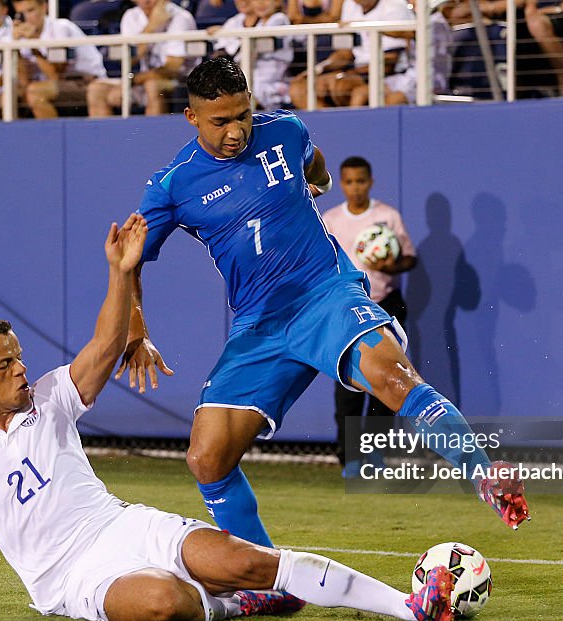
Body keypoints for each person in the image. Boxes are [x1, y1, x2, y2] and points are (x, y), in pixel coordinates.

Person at [0, 214, 459, 621]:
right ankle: (237, 608)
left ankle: (412, 606)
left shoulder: (49, 398)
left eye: (18, 356)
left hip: (123, 526)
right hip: (68, 579)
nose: (20, 369)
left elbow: (103, 344)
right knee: (164, 602)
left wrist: (122, 274)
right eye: (5, 363)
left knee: (249, 561)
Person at [121, 57, 530, 553]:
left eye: (242, 115)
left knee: (391, 377)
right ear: (191, 117)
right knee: (206, 459)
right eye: (220, 121)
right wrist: (135, 330)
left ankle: (486, 476)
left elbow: (315, 163)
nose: (235, 132)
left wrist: (317, 184)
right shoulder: (172, 185)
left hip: (324, 292)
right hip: (258, 324)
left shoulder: (286, 130)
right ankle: (266, 577)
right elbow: (128, 260)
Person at [321, 156, 417, 476]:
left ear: (370, 182)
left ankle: (375, 454)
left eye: (361, 181)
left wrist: (391, 265)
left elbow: (408, 259)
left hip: (385, 305)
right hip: (347, 309)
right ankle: (349, 457)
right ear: (341, 183)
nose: (355, 188)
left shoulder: (387, 216)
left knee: (388, 379)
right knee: (348, 384)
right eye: (348, 182)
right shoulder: (331, 219)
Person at [287, 0, 426, 108]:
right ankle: (327, 134)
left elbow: (390, 62)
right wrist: (319, 69)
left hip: (392, 76)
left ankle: (353, 135)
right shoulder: (349, 4)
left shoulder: (394, 5)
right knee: (299, 88)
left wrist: (345, 76)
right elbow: (346, 53)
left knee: (347, 89)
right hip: (359, 71)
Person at [86, 0, 198, 117]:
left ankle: (153, 135)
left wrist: (132, 81)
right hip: (144, 80)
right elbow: (130, 60)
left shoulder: (180, 18)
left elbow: (173, 68)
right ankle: (107, 136)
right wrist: (151, 27)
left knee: (152, 85)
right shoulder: (132, 16)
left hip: (180, 82)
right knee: (96, 89)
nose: (145, 2)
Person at [12, 0, 106, 118]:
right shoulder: (20, 35)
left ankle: (52, 136)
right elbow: (24, 80)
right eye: (21, 14)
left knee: (35, 92)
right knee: (9, 95)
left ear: (44, 7)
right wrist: (15, 48)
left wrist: (33, 42)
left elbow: (55, 75)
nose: (27, 18)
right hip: (55, 85)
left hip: (87, 82)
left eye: (31, 10)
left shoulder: (61, 27)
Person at [209, 0, 293, 109]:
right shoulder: (244, 21)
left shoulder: (279, 18)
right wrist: (223, 32)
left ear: (276, 2)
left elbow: (255, 45)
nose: (260, 4)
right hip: (251, 76)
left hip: (274, 78)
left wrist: (229, 35)